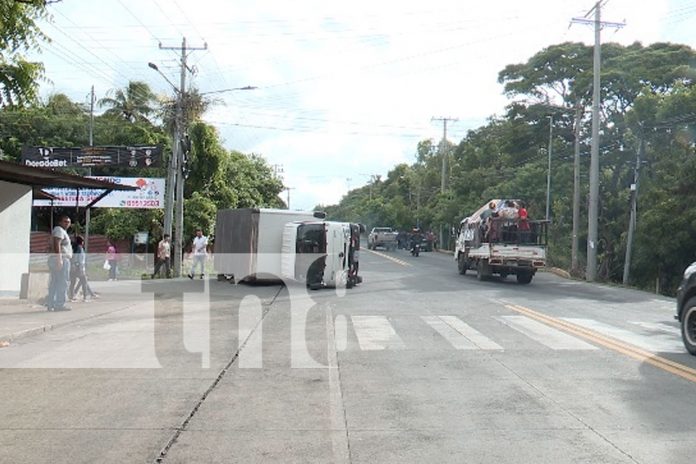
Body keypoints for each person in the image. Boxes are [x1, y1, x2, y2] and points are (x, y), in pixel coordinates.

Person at [46, 215, 72, 311]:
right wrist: (59, 259)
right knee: (62, 282)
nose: (67, 224)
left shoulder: (62, 231)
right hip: (61, 259)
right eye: (65, 221)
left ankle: (51, 303)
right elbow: (57, 244)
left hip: (58, 258)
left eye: (68, 222)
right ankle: (59, 304)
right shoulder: (59, 230)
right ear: (60, 222)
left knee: (55, 282)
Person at [69, 236, 95, 301]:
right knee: (84, 281)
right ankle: (85, 297)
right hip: (78, 267)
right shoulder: (80, 248)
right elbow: (80, 259)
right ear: (81, 242)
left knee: (73, 282)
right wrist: (82, 269)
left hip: (73, 267)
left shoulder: (74, 248)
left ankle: (71, 296)